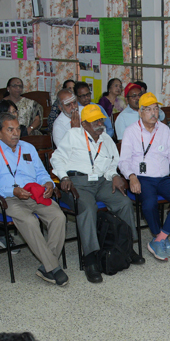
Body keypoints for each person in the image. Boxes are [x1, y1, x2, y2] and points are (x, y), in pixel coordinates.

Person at [51, 104, 144, 283]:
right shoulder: (73, 135)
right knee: (87, 207)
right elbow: (57, 158)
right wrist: (63, 177)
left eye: (101, 119)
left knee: (124, 202)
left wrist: (115, 175)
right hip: (77, 183)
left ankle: (127, 247)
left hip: (101, 181)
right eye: (95, 121)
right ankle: (91, 258)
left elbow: (111, 164)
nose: (99, 123)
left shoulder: (107, 139)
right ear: (84, 124)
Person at [0, 113, 68, 286]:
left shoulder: (28, 148)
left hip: (34, 194)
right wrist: (12, 190)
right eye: (10, 129)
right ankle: (53, 267)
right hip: (8, 198)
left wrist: (48, 183)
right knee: (29, 221)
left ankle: (47, 266)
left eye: (17, 129)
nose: (15, 133)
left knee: (59, 217)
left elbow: (41, 172)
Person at [118, 93, 170, 261]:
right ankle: (160, 238)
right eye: (149, 109)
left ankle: (160, 239)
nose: (154, 113)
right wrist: (131, 177)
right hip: (142, 178)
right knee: (149, 203)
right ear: (140, 112)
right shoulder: (131, 132)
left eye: (156, 109)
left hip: (163, 177)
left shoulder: (164, 129)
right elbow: (123, 161)